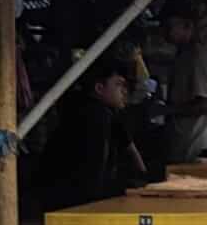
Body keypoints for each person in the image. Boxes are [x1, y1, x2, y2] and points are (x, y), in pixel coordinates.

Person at [38, 61, 145, 211]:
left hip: (65, 195)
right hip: (65, 201)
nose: (124, 91)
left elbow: (128, 146)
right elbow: (92, 178)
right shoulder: (94, 115)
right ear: (99, 88)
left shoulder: (105, 113)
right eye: (118, 85)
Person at [164, 5, 207, 164]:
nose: (165, 31)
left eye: (170, 26)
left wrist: (167, 110)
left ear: (187, 26)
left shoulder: (197, 56)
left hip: (196, 143)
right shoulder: (182, 55)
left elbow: (205, 104)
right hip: (183, 141)